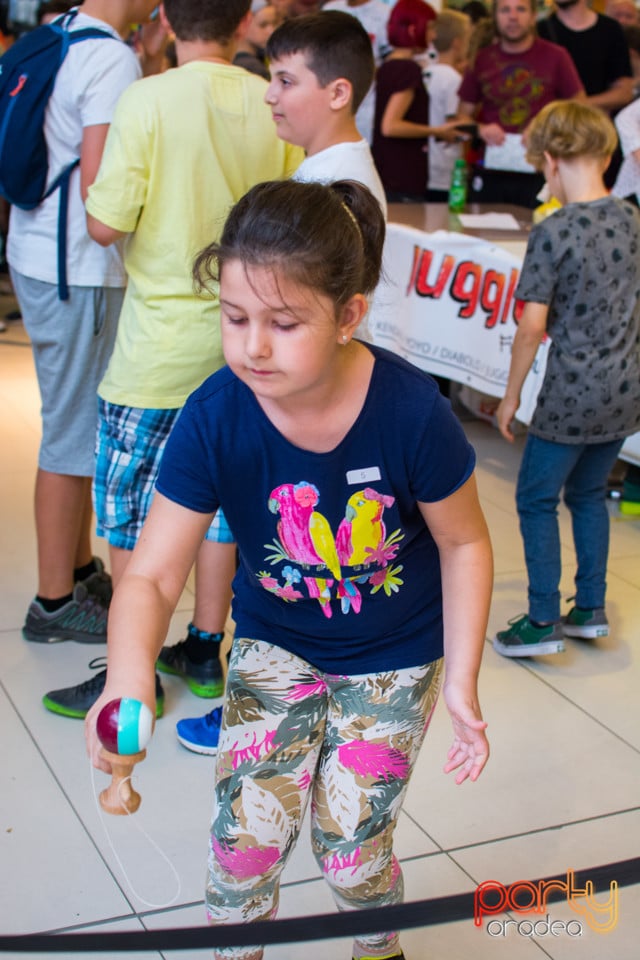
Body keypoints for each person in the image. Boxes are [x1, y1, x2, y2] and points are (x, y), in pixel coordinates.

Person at [86, 176, 492, 960]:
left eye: (283, 322)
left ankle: (380, 947)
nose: (252, 346)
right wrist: (128, 675)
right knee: (244, 847)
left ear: (348, 316)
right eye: (234, 318)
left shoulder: (412, 413)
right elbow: (153, 575)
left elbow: (465, 543)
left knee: (350, 847)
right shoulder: (215, 412)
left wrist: (465, 679)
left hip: (395, 659)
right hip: (277, 646)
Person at [42, 0, 302, 718]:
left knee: (130, 522)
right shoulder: (271, 97)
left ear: (165, 14)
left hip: (155, 350)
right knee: (222, 510)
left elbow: (103, 224)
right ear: (244, 15)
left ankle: (138, 674)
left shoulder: (146, 98)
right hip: (246, 346)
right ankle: (202, 649)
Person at [6, 0, 160, 646]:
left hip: (37, 252)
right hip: (79, 266)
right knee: (72, 435)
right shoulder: (112, 57)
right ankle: (53, 603)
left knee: (66, 419)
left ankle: (73, 569)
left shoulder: (58, 35)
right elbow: (103, 188)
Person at [493, 100, 640, 658]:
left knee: (535, 498)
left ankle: (540, 619)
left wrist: (510, 397)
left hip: (571, 394)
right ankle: (591, 608)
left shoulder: (554, 229)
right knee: (587, 495)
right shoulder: (632, 217)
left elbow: (531, 327)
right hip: (624, 389)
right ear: (607, 151)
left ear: (551, 160)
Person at [456, 0, 584, 208]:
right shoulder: (481, 59)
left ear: (533, 16)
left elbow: (579, 110)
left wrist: (544, 126)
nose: (513, 16)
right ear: (495, 17)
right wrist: (480, 129)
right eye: (505, 10)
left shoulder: (556, 56)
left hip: (540, 171)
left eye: (521, 9)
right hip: (490, 171)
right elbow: (461, 117)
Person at [265, 10, 387, 214]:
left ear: (338, 94)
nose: (269, 96)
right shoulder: (326, 167)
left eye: (285, 82)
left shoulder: (337, 186)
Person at [372, 0, 462, 202]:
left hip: (387, 172)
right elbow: (391, 126)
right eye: (430, 28)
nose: (434, 35)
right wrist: (437, 131)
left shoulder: (388, 66)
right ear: (414, 28)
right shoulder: (408, 70)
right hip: (403, 176)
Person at [538, 0, 634, 114]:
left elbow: (624, 92)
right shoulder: (539, 30)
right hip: (553, 124)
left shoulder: (610, 29)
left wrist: (580, 104)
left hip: (594, 123)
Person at [320, 0, 392, 144]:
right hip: (328, 94)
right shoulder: (330, 9)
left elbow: (390, 58)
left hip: (367, 100)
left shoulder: (384, 13)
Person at [423, 8, 471, 201]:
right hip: (446, 168)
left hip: (426, 164)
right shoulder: (453, 80)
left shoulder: (426, 72)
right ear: (458, 43)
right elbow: (454, 125)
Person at [233, 1, 278, 80]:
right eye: (263, 25)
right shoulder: (255, 69)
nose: (271, 31)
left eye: (274, 23)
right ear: (244, 24)